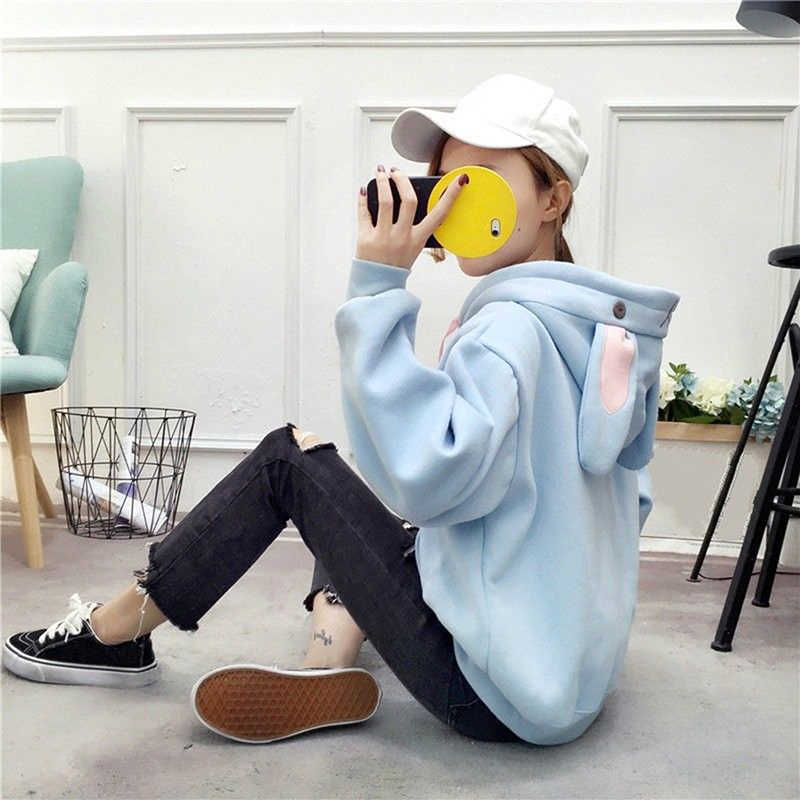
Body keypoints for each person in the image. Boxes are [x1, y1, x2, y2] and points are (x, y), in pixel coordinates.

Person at [2, 73, 680, 747]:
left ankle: (115, 633)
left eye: (484, 179)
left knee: (288, 461)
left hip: (486, 693)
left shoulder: (504, 332)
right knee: (341, 486)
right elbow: (628, 502)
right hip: (567, 682)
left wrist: (379, 284)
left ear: (554, 199)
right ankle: (325, 663)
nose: (456, 200)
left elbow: (423, 480)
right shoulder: (597, 332)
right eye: (448, 181)